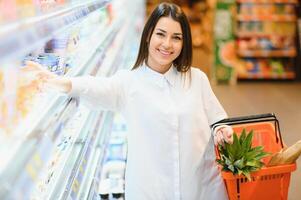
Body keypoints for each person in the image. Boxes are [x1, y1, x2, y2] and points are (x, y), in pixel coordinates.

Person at [24, 2, 233, 200]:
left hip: (200, 188)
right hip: (151, 191)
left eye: (176, 37)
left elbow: (218, 119)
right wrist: (58, 81)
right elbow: (95, 87)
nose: (167, 44)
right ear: (148, 36)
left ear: (184, 42)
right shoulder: (130, 83)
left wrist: (222, 130)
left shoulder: (197, 79)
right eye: (161, 34)